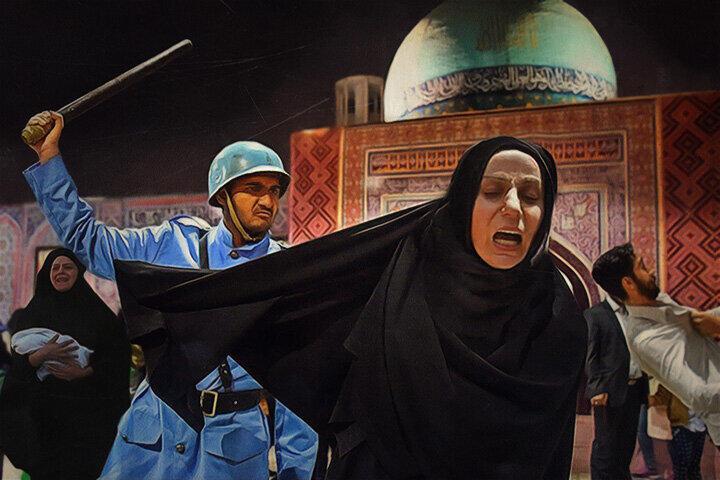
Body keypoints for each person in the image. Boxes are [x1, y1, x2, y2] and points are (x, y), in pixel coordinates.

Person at [114, 136, 588, 479]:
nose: (513, 207)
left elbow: (549, 451)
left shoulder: (555, 317)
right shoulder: (407, 282)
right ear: (464, 201)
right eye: (492, 191)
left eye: (531, 196)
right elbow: (309, 348)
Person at [21, 111, 318, 479]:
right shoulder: (174, 244)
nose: (268, 201)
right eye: (253, 188)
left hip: (233, 448)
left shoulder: (286, 271)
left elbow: (298, 391)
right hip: (154, 437)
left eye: (274, 191)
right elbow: (90, 241)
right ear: (223, 195)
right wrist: (49, 159)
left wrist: (295, 473)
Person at [0, 249, 130, 480]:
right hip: (43, 427)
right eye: (55, 267)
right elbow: (17, 371)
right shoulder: (31, 317)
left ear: (78, 272)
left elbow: (117, 361)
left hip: (87, 426)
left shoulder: (100, 318)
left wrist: (84, 372)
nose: (61, 272)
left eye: (67, 267)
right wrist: (41, 355)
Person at [589, 243, 720, 447]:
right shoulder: (646, 339)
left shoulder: (660, 301)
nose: (651, 271)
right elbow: (700, 394)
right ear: (628, 283)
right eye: (642, 266)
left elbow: (703, 321)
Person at [585, 249, 650, 480]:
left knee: (625, 447)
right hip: (609, 392)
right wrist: (597, 388)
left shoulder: (634, 313)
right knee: (606, 448)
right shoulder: (596, 315)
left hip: (633, 390)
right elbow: (591, 354)